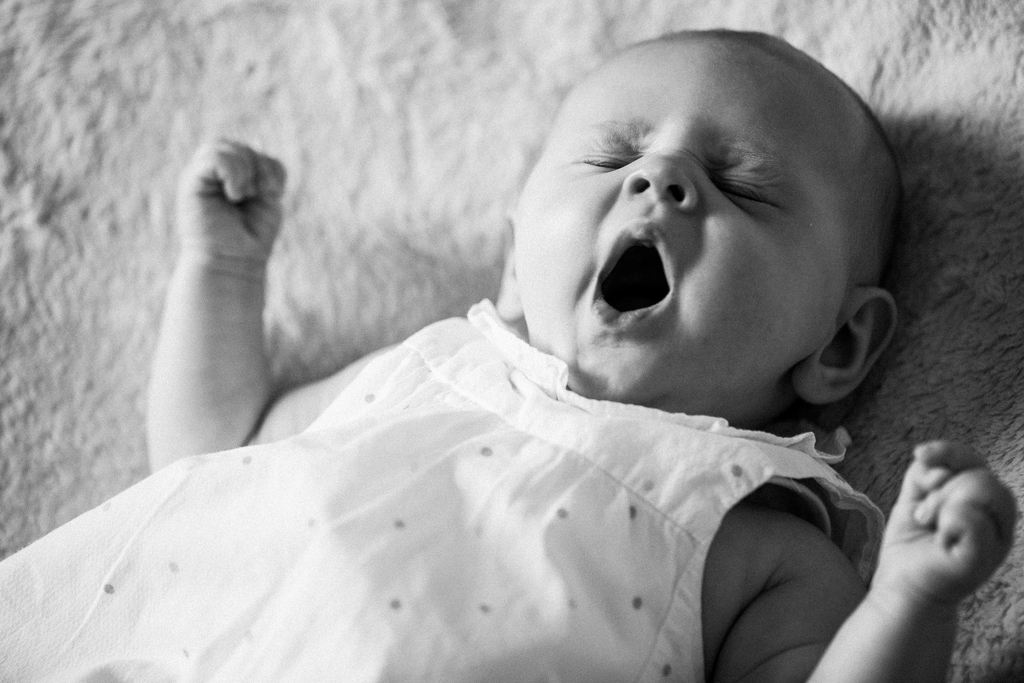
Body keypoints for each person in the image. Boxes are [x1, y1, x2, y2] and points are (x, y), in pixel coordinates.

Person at [1, 29, 1015, 682]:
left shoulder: (756, 533)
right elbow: (210, 450)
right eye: (614, 156)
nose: (659, 179)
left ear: (838, 344)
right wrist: (221, 272)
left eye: (741, 185)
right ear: (516, 262)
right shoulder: (435, 368)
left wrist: (908, 599)